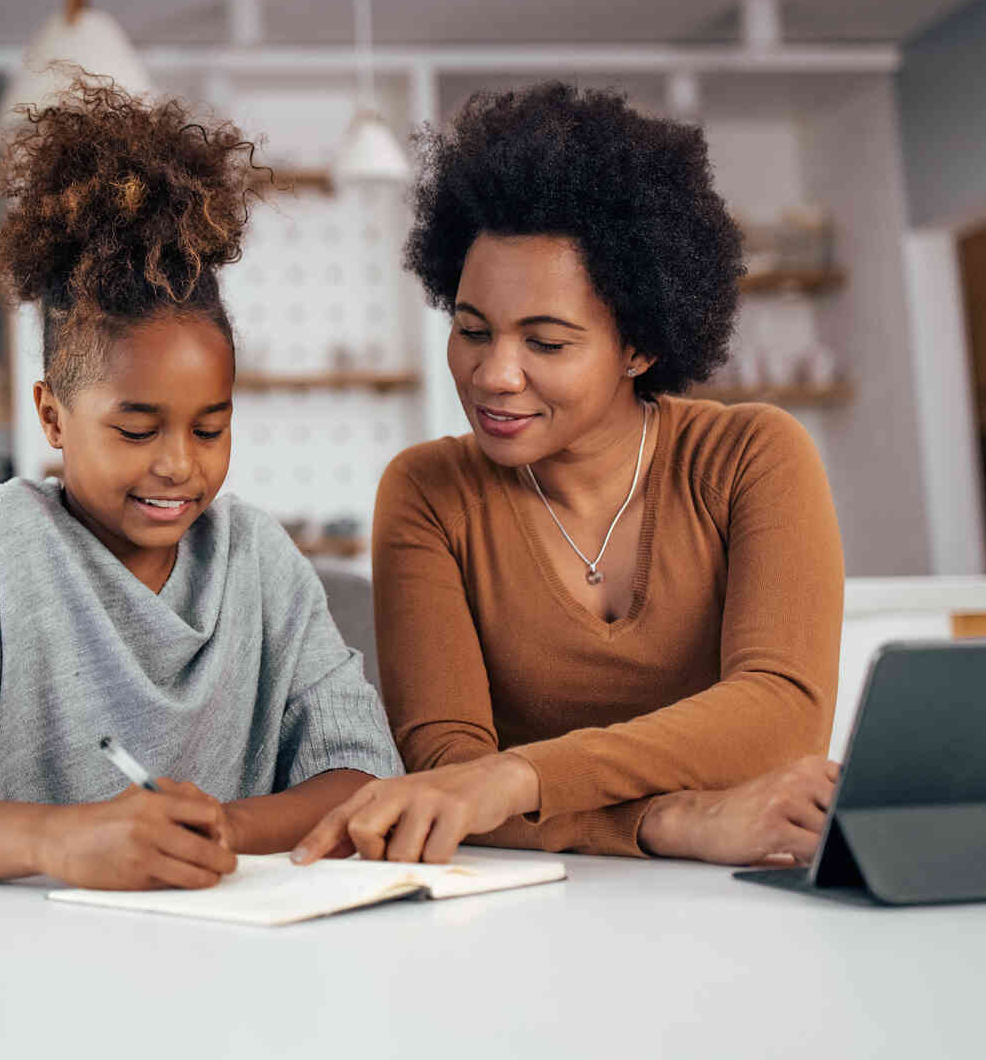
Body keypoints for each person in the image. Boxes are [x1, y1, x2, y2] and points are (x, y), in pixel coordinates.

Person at [0, 85, 401, 890]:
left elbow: (360, 775)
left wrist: (223, 826)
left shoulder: (257, 558)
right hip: (18, 967)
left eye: (210, 428)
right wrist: (61, 843)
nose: (179, 464)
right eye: (137, 430)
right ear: (53, 415)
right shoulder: (1, 540)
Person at [294, 82, 842, 867]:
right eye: (472, 330)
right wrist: (669, 822)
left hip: (747, 897)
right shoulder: (428, 494)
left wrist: (517, 778)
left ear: (640, 346)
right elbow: (446, 781)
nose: (494, 375)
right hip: (532, 905)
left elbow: (781, 717)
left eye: (545, 343)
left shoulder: (753, 456)